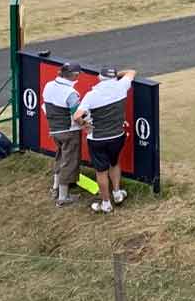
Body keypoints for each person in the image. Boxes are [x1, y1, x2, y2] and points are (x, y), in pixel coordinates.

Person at [76, 67, 137, 213]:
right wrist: (117, 75)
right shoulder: (121, 86)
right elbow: (131, 72)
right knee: (114, 163)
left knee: (101, 171)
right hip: (117, 136)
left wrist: (85, 126)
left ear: (99, 78)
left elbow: (77, 116)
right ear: (114, 78)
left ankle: (106, 203)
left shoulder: (92, 95)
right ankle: (117, 193)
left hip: (97, 138)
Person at [41, 63, 83, 206]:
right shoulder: (70, 93)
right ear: (75, 75)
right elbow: (77, 115)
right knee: (69, 162)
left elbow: (45, 106)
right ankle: (63, 197)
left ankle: (55, 188)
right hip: (69, 131)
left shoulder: (48, 85)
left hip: (54, 131)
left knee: (60, 158)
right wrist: (87, 125)